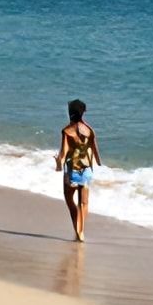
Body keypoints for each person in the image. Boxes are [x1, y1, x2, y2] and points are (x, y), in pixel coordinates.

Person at [53, 98, 101, 242]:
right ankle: (81, 230)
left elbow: (63, 152)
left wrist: (58, 164)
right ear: (83, 113)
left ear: (70, 113)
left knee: (69, 200)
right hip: (86, 171)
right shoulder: (90, 130)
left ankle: (78, 229)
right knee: (84, 203)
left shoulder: (67, 131)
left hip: (72, 172)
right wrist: (98, 162)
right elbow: (96, 152)